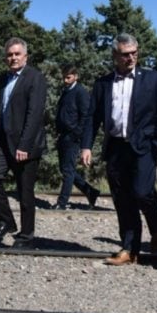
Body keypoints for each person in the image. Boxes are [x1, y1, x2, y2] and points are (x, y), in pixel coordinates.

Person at [81, 33, 157, 265]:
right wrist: (86, 146)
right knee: (122, 200)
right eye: (125, 54)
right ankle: (129, 249)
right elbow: (92, 117)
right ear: (115, 55)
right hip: (115, 147)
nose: (131, 57)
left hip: (144, 147)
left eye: (134, 53)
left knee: (142, 192)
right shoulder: (103, 83)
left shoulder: (153, 79)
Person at [0, 37, 47, 248]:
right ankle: (6, 222)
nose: (13, 58)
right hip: (3, 142)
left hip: (25, 144)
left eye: (17, 54)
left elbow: (35, 114)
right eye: (9, 55)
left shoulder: (34, 77)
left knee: (25, 192)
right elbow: (2, 112)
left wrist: (25, 145)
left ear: (25, 56)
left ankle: (26, 236)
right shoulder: (4, 78)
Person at [51, 65, 100, 210]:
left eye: (69, 77)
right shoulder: (66, 92)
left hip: (72, 136)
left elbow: (86, 115)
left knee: (67, 170)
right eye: (64, 77)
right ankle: (90, 191)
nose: (65, 80)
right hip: (63, 135)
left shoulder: (80, 92)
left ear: (76, 76)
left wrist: (77, 133)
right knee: (66, 169)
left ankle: (62, 202)